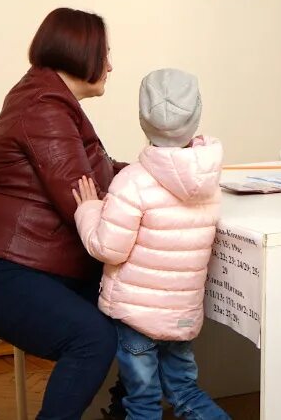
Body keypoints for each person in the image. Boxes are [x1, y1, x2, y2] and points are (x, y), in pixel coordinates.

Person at [0, 7, 124, 420]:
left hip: (26, 265)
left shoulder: (49, 99)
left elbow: (102, 174)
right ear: (81, 54)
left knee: (135, 303)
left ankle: (127, 410)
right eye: (105, 54)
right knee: (92, 339)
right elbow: (83, 201)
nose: (110, 66)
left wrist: (161, 170)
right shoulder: (44, 107)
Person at [72, 69, 230, 420]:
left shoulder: (132, 182)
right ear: (196, 115)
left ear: (144, 119)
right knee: (186, 393)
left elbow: (109, 248)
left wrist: (88, 209)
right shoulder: (209, 183)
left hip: (135, 318)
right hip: (180, 316)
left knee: (143, 403)